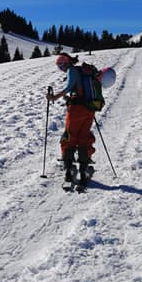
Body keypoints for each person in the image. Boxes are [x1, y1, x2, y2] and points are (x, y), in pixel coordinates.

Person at [47, 53, 96, 189]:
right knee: (83, 138)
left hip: (76, 110)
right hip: (88, 109)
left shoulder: (72, 70)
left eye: (61, 65)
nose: (61, 68)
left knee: (69, 138)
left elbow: (69, 87)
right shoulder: (81, 72)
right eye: (58, 66)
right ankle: (83, 170)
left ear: (66, 62)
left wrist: (54, 97)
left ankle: (69, 170)